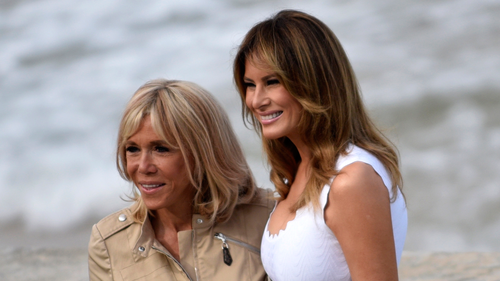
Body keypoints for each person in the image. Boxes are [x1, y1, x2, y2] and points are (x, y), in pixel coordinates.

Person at [233, 9, 408, 281]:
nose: (256, 100)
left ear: (312, 82)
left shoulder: (352, 180)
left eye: (272, 82)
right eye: (249, 84)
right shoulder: (301, 168)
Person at [88, 79, 274, 281]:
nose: (142, 167)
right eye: (132, 149)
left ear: (205, 152)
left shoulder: (269, 219)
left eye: (161, 149)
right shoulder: (108, 242)